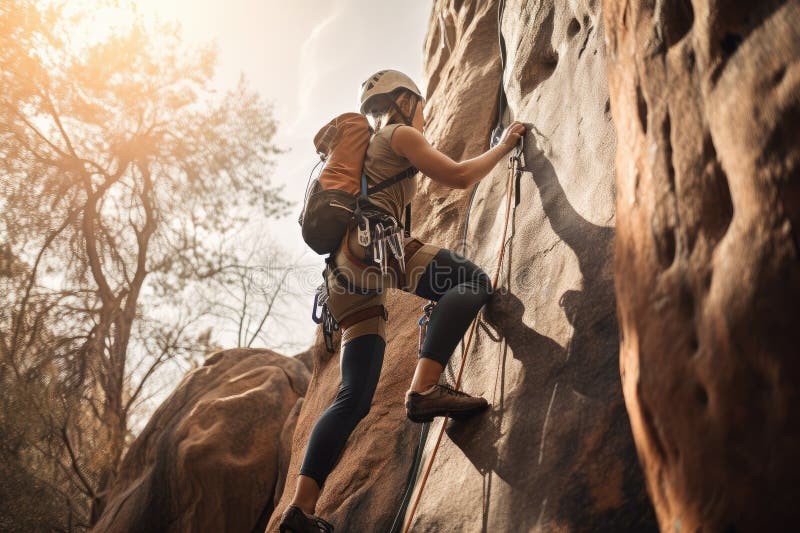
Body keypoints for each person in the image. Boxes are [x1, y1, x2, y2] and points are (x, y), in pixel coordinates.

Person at [279, 70, 525, 532]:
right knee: (469, 281)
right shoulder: (399, 134)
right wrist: (505, 143)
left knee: (352, 397)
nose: (425, 110)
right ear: (404, 100)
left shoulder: (368, 149)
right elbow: (457, 176)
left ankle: (300, 511)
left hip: (340, 279)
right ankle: (424, 388)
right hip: (374, 248)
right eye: (420, 101)